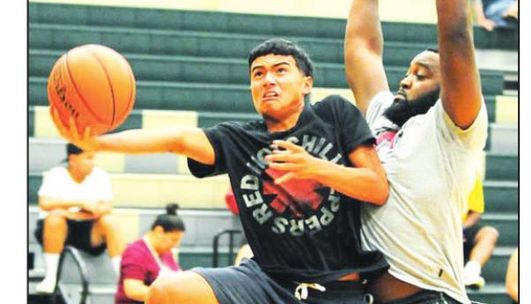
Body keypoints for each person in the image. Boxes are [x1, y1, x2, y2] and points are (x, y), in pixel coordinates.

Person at [52, 38, 390, 304]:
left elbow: (376, 187)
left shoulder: (333, 114)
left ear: (306, 83)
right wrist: (97, 143)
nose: (268, 80)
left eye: (280, 70)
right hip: (265, 282)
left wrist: (316, 167)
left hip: (336, 289)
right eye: (258, 74)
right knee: (165, 292)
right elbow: (177, 139)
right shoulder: (240, 138)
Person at [345, 0, 488, 302]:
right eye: (409, 72)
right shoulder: (380, 117)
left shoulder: (453, 130)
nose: (406, 79)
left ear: (446, 88)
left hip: (428, 297)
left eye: (421, 75)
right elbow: (362, 47)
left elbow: (456, 34)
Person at [34, 143, 125, 293]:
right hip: (55, 230)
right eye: (88, 158)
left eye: (93, 158)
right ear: (73, 159)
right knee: (54, 219)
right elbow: (45, 203)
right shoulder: (56, 174)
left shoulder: (100, 175)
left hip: (87, 229)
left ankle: (123, 280)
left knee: (109, 221)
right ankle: (50, 278)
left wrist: (75, 213)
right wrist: (79, 203)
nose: (93, 163)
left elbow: (106, 208)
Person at [115, 203, 185, 304]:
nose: (175, 245)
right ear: (159, 231)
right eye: (173, 240)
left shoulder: (167, 253)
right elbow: (133, 289)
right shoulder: (135, 252)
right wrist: (168, 297)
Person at [462, 176, 499, 289]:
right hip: (435, 230)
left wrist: (459, 230)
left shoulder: (471, 175)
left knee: (489, 233)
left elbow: (475, 212)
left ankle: (470, 273)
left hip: (460, 229)